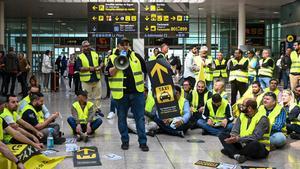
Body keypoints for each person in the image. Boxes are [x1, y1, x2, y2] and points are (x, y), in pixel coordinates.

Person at [107, 38, 149, 151]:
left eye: (127, 44)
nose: (125, 46)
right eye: (122, 44)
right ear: (118, 46)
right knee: (121, 119)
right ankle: (125, 141)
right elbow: (108, 73)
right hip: (121, 95)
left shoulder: (136, 56)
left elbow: (146, 69)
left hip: (137, 93)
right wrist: (119, 62)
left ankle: (143, 142)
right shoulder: (111, 57)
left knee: (140, 118)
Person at [218, 98, 270, 163]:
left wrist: (238, 139)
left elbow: (256, 137)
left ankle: (232, 152)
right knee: (222, 135)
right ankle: (237, 155)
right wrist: (233, 137)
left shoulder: (263, 118)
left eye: (243, 105)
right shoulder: (242, 115)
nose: (241, 107)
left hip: (259, 147)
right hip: (242, 143)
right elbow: (235, 130)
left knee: (255, 144)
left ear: (249, 108)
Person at [77, 41, 102, 114]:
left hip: (96, 79)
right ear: (82, 47)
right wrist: (89, 68)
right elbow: (79, 68)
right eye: (85, 46)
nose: (86, 47)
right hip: (86, 81)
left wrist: (100, 66)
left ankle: (97, 110)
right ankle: (90, 110)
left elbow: (101, 62)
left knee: (98, 96)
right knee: (88, 97)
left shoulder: (95, 54)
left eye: (88, 46)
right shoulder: (80, 57)